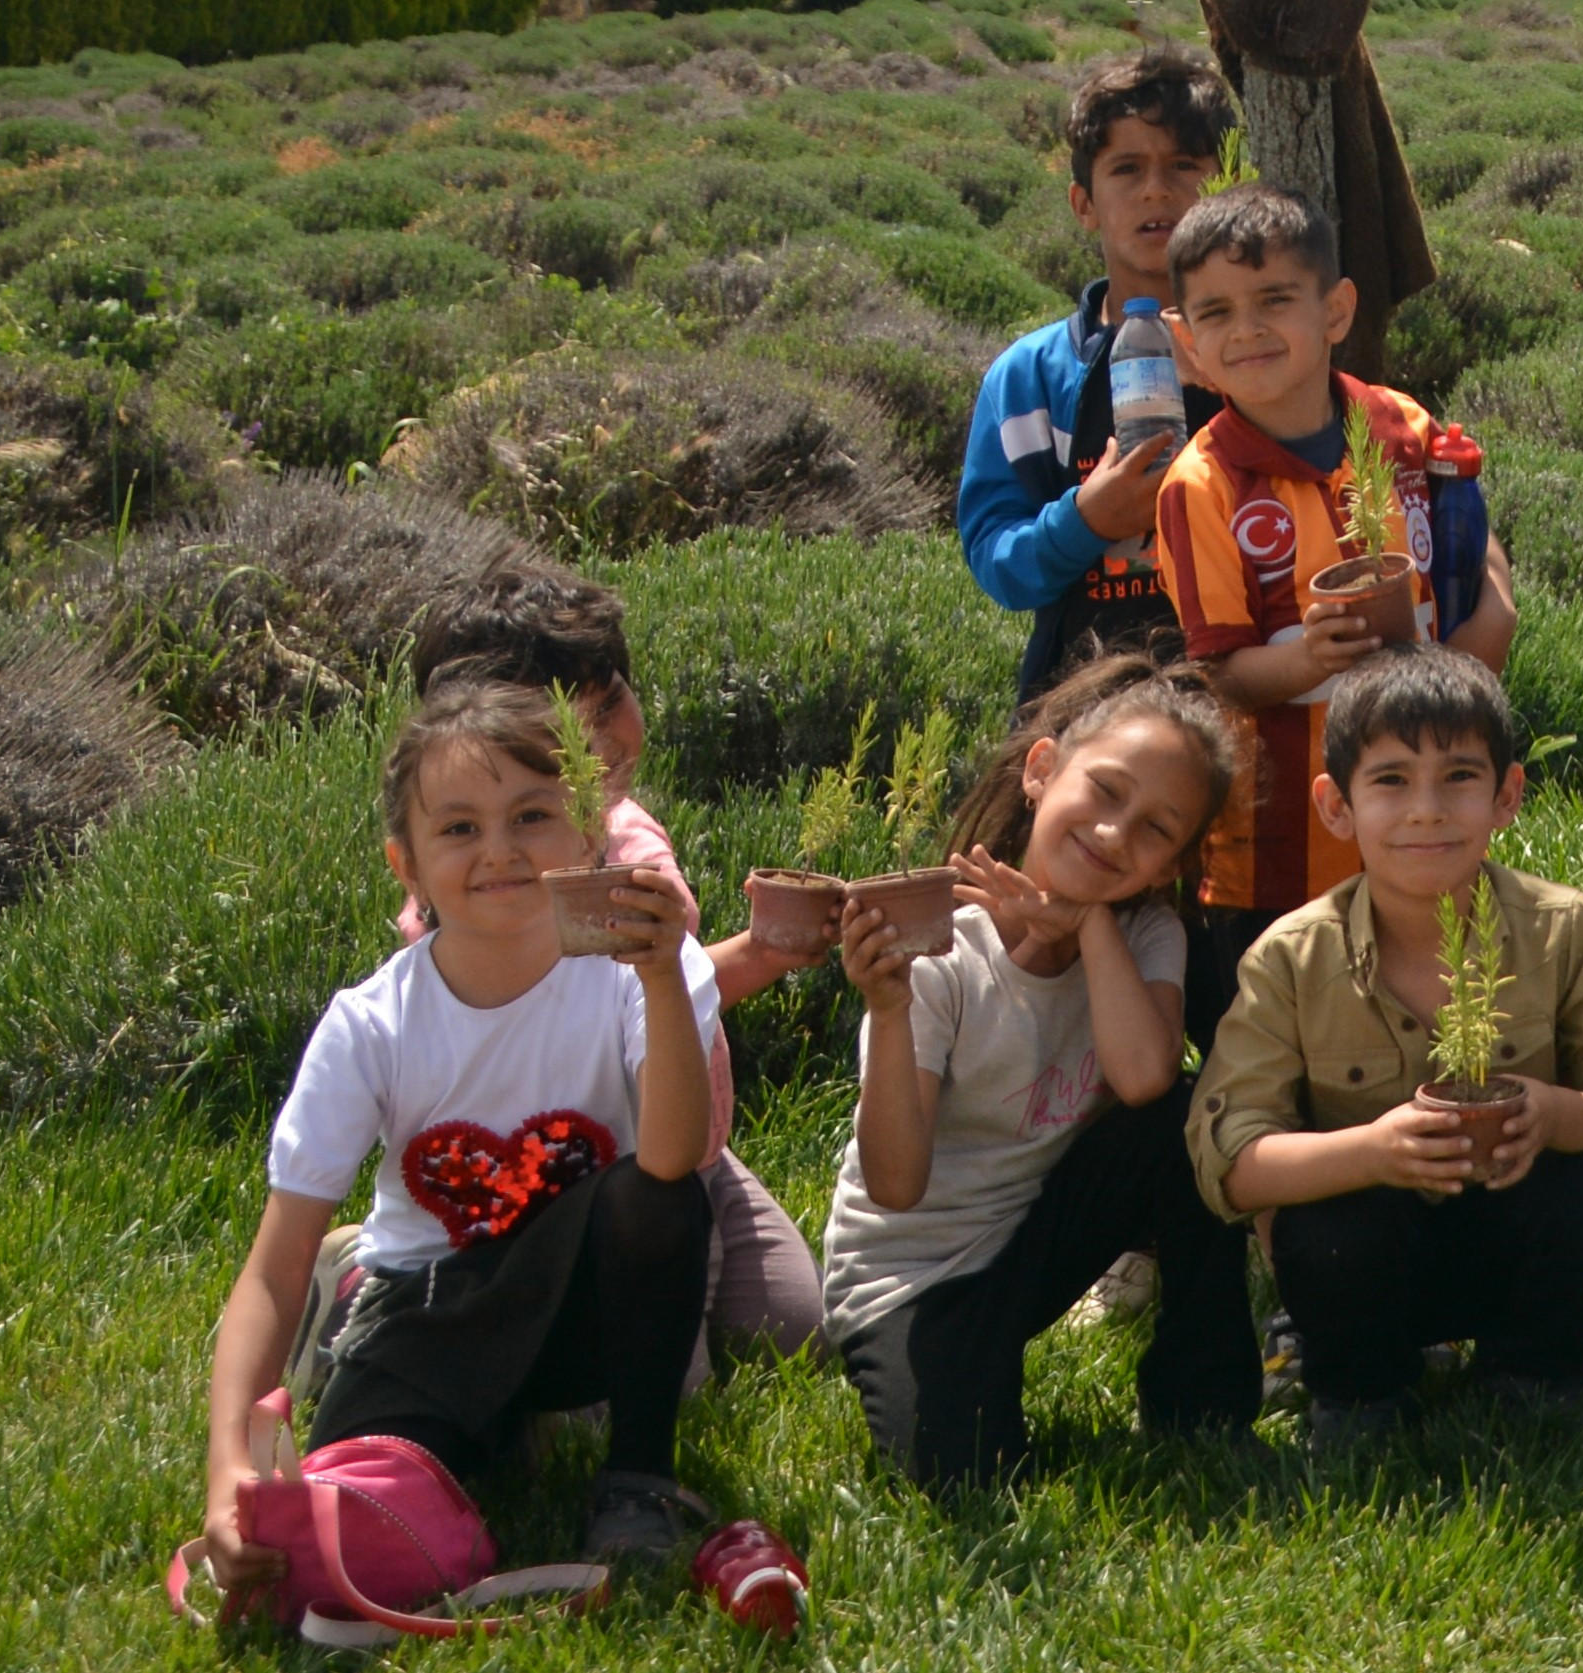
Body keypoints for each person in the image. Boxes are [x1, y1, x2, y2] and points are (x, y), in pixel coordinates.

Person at [193, 683, 775, 1614]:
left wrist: (664, 976)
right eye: (459, 828)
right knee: (360, 1523)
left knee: (653, 1197)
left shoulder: (643, 974)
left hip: (581, 1299)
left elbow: (672, 1155)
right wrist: (229, 1472)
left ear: (590, 832)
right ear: (408, 864)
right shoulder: (372, 1023)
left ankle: (638, 1479)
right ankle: (384, 1332)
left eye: (531, 816)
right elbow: (272, 1266)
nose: (499, 849)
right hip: (429, 1307)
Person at [1189, 651, 1583, 1451]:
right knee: (1326, 1221)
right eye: (1390, 780)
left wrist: (1555, 1113)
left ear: (1507, 795)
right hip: (1372, 1259)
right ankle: (1360, 1392)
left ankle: (1534, 1374)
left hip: (1516, 1236)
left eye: (1458, 777)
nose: (1427, 810)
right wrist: (1375, 1150)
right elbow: (1231, 1160)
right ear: (1335, 805)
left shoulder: (1564, 930)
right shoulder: (1290, 958)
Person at [820, 658, 1254, 1495]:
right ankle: (960, 1382)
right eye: (1106, 790)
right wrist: (888, 1008)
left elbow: (1146, 1080)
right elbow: (896, 1185)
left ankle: (1203, 1409)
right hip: (915, 1278)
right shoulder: (942, 945)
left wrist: (1086, 923)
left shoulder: (1145, 934)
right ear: (1041, 769)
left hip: (1032, 1238)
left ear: (1171, 866)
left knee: (1190, 1120)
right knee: (958, 1478)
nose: (1116, 833)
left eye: (1156, 830)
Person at [406, 567, 820, 1361]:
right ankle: (378, 1277)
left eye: (608, 703)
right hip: (564, 1182)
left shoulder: (629, 830)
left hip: (693, 1150)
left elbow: (668, 993)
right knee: (632, 1377)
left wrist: (763, 951)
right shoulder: (488, 888)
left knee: (792, 1329)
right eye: (564, 729)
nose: (600, 742)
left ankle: (708, 1206)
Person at [1150, 184, 1513, 1038]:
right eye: (1217, 312)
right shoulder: (1201, 485)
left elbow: (1467, 546)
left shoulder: (1401, 425)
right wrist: (1311, 659)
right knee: (1288, 1046)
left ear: (1337, 309)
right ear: (1187, 341)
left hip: (1424, 820)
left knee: (1434, 1028)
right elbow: (1219, 672)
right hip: (1278, 852)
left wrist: (1494, 610)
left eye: (1275, 299)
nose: (1248, 330)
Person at [958, 50, 1228, 695]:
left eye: (1184, 165)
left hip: (1248, 695)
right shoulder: (1028, 378)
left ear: (1227, 186)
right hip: (1085, 709)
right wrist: (1087, 520)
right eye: (1126, 169)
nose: (1156, 189)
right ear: (1084, 204)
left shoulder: (1260, 354)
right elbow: (998, 562)